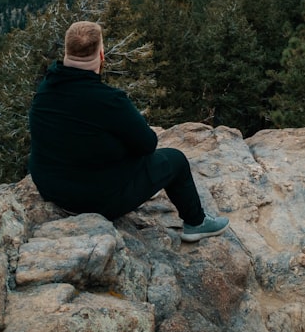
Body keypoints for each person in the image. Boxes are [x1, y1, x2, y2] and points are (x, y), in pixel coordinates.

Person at [28, 21, 229, 242]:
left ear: (67, 52)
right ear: (102, 55)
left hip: (50, 188)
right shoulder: (109, 100)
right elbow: (147, 144)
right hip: (96, 201)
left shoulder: (45, 89)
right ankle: (196, 223)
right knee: (176, 160)